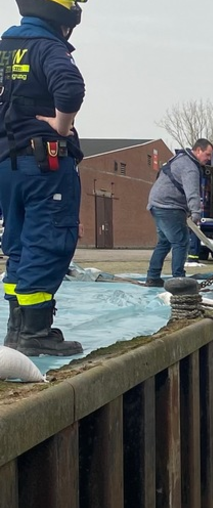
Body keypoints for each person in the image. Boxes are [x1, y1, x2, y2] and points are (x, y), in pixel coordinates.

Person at [0, 0, 87, 356]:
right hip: (43, 165)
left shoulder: (5, 46)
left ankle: (16, 331)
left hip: (7, 162)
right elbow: (70, 88)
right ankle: (35, 333)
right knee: (48, 240)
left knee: (18, 242)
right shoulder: (47, 47)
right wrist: (61, 126)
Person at [144, 138, 213, 287]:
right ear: (198, 150)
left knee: (164, 242)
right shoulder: (190, 167)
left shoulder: (179, 158)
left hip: (156, 204)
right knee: (181, 242)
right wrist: (196, 213)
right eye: (207, 155)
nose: (209, 159)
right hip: (168, 206)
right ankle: (179, 279)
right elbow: (192, 192)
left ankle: (153, 276)